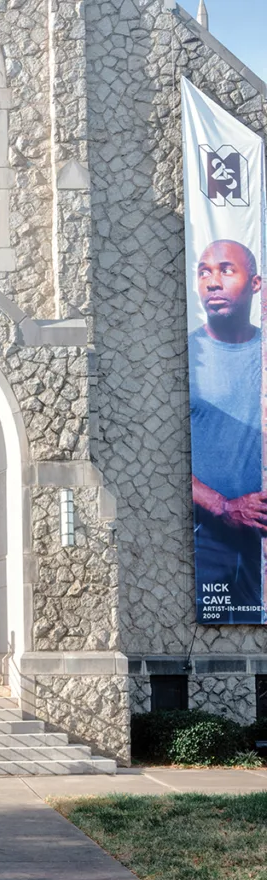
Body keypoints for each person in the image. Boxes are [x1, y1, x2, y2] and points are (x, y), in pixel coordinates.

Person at [188, 239, 264, 623]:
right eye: (204, 272)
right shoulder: (188, 359)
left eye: (225, 270)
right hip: (207, 539)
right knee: (216, 629)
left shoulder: (264, 354)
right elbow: (161, 460)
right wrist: (222, 506)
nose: (212, 282)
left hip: (263, 537)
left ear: (255, 284)